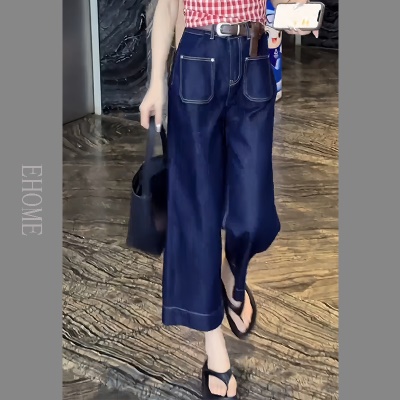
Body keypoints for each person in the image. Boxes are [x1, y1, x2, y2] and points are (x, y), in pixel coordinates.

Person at [140, 0, 317, 398]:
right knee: (198, 214)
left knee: (253, 214)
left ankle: (231, 273)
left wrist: (296, 16)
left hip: (253, 58)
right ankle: (214, 349)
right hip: (198, 58)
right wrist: (156, 83)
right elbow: (167, 8)